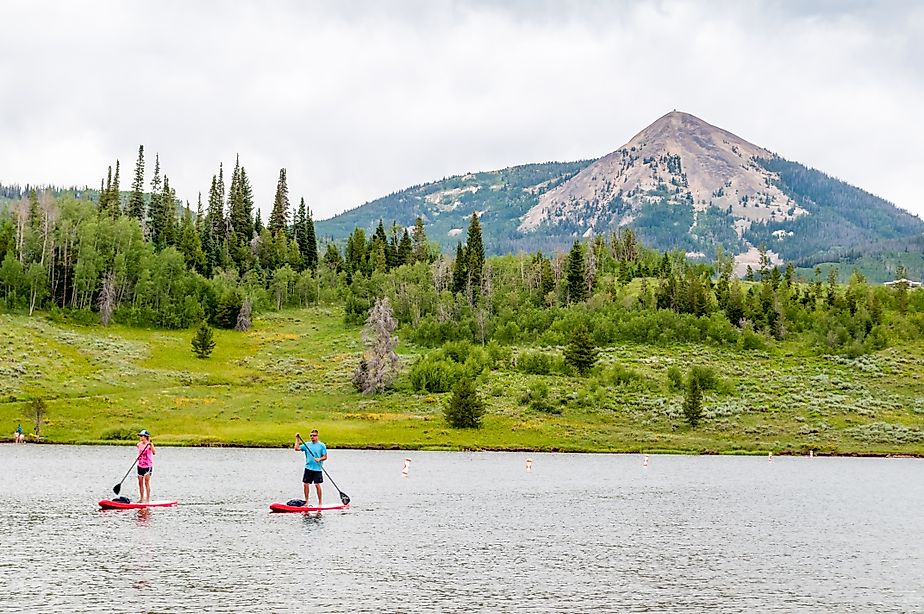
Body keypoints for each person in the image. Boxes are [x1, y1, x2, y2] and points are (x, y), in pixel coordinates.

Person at [294, 430, 327, 507]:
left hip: (317, 469)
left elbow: (325, 457)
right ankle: (306, 502)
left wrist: (319, 459)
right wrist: (297, 438)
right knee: (306, 484)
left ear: (317, 436)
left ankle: (320, 503)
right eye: (311, 435)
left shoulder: (322, 445)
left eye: (314, 435)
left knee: (317, 485)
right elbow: (296, 448)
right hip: (308, 468)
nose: (312, 437)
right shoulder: (307, 445)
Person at [136, 429, 156, 503]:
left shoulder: (149, 444)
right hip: (140, 465)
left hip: (148, 466)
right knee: (140, 482)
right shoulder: (138, 444)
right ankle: (141, 499)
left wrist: (151, 445)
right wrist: (138, 457)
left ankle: (147, 499)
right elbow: (139, 452)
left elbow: (154, 453)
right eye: (140, 436)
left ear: (146, 437)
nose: (140, 437)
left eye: (142, 436)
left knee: (146, 482)